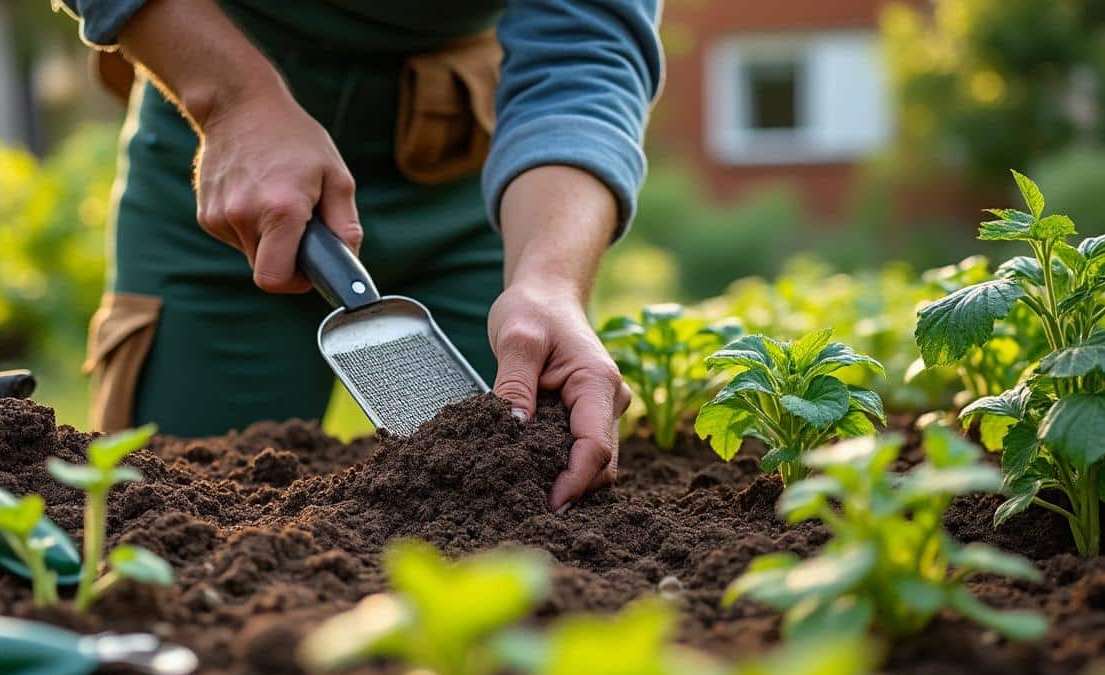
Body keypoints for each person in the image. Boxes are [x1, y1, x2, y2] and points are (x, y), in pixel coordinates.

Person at [54, 0, 662, 511]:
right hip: (227, 150)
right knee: (163, 511)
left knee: (522, 501)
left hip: (474, 170)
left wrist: (548, 279)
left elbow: (585, 47)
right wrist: (231, 101)